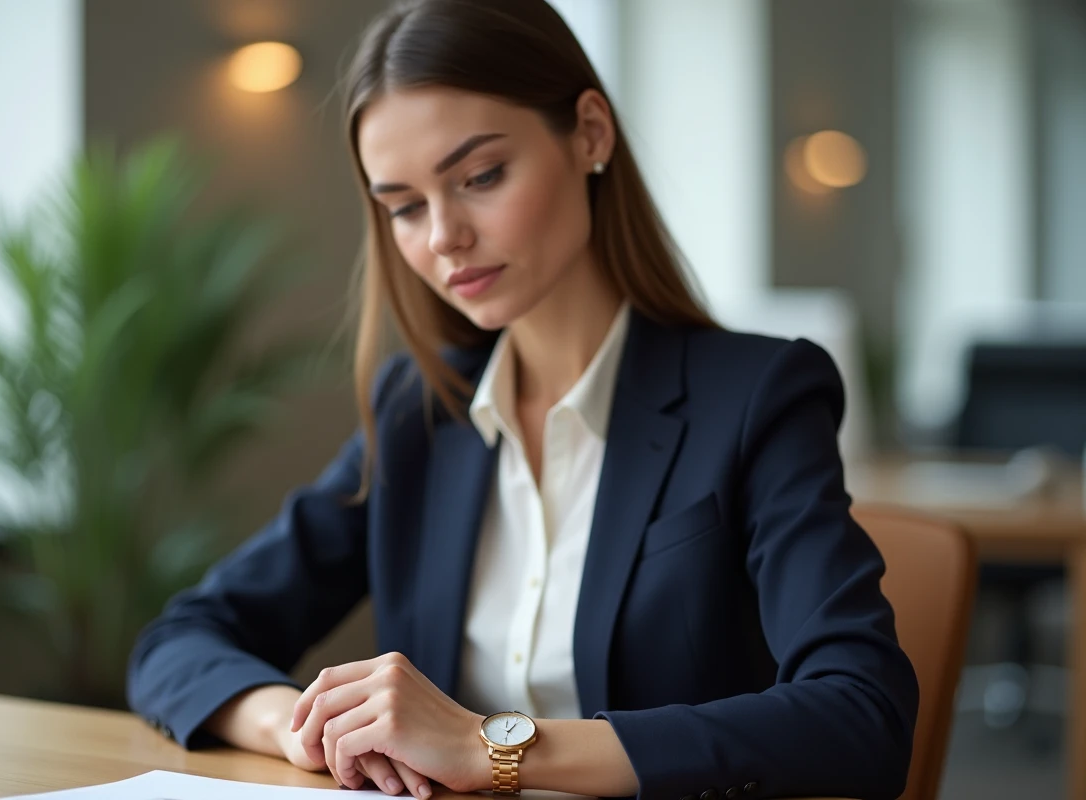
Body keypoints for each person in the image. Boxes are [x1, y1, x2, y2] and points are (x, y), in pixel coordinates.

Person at [127, 1, 918, 799]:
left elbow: (860, 715)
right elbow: (181, 641)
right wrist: (310, 728)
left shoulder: (757, 397)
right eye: (403, 206)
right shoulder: (419, 410)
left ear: (590, 134)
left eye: (479, 177)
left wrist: (493, 748)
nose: (441, 237)